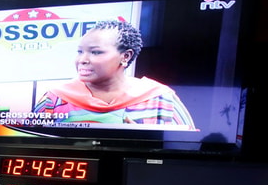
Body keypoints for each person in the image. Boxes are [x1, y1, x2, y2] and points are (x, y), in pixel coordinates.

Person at [33, 19, 195, 128]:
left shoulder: (161, 99)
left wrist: (145, 144)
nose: (82, 60)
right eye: (80, 52)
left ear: (126, 56)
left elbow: (186, 153)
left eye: (96, 52)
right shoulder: (55, 99)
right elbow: (28, 146)